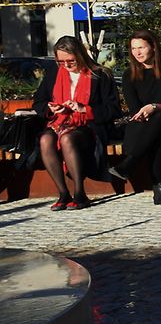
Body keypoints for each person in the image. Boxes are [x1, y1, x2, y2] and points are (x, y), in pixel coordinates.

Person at [33, 35, 120, 210]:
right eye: (61, 61)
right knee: (45, 140)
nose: (66, 65)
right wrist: (50, 108)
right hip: (59, 122)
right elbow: (38, 102)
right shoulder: (54, 73)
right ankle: (63, 193)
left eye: (70, 61)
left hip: (90, 125)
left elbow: (113, 109)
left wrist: (84, 109)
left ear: (80, 55)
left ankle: (80, 193)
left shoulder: (100, 74)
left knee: (67, 138)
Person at [109, 29, 161, 206]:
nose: (137, 52)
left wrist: (154, 107)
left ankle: (130, 163)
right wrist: (146, 114)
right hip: (143, 123)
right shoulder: (129, 75)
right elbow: (135, 109)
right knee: (157, 133)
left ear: (153, 47)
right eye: (133, 48)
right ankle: (159, 192)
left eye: (141, 47)